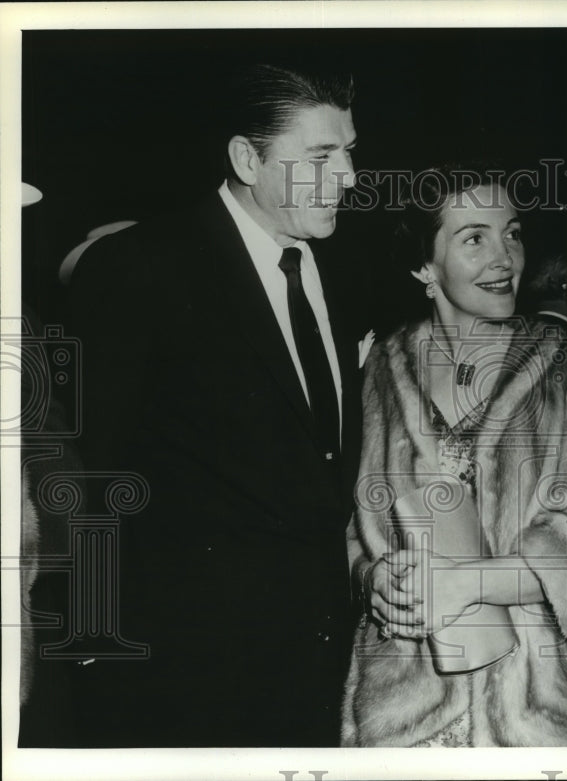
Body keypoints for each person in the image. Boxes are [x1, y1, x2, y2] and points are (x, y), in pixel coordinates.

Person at [68, 64, 365, 746]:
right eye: (321, 156)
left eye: (350, 151)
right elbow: (92, 463)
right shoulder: (140, 265)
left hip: (320, 661)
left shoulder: (346, 265)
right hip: (185, 672)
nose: (348, 175)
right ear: (245, 158)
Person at [340, 164, 567, 746]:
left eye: (513, 233)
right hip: (402, 713)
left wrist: (466, 584)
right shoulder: (375, 376)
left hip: (530, 713)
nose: (505, 258)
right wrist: (370, 578)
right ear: (425, 265)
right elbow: (352, 529)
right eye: (474, 238)